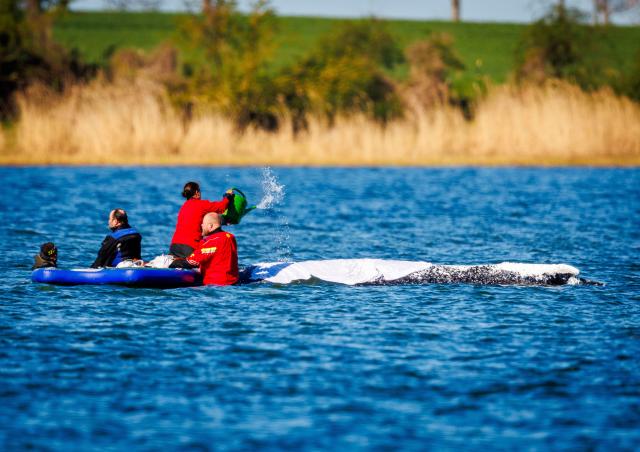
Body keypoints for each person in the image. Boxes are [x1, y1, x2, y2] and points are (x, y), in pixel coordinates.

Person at [169, 181, 233, 258]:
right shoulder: (202, 204)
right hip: (189, 248)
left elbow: (198, 220)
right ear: (197, 192)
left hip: (174, 247)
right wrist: (227, 197)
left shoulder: (184, 207)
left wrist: (223, 221)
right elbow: (221, 207)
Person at [178, 212, 238, 286]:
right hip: (233, 282)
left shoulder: (209, 241)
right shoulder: (230, 237)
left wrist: (170, 263)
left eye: (203, 223)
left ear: (210, 226)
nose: (201, 225)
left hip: (214, 286)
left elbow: (191, 262)